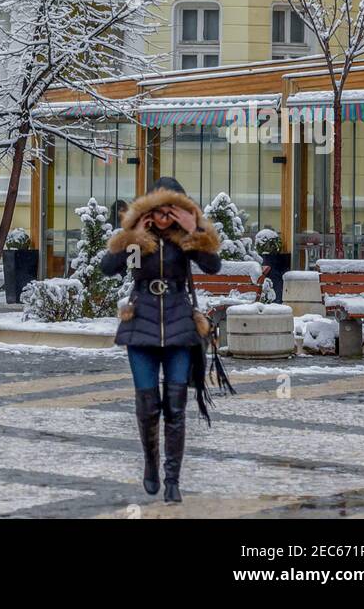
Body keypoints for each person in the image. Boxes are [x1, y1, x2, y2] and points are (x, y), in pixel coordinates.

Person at [101, 176, 222, 504]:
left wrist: (194, 228)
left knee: (175, 406)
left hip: (180, 326)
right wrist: (133, 234)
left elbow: (213, 266)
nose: (166, 215)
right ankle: (151, 465)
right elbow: (108, 268)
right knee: (147, 405)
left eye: (174, 209)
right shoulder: (140, 239)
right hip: (141, 327)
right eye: (161, 208)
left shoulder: (187, 240)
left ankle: (172, 479)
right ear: (150, 209)